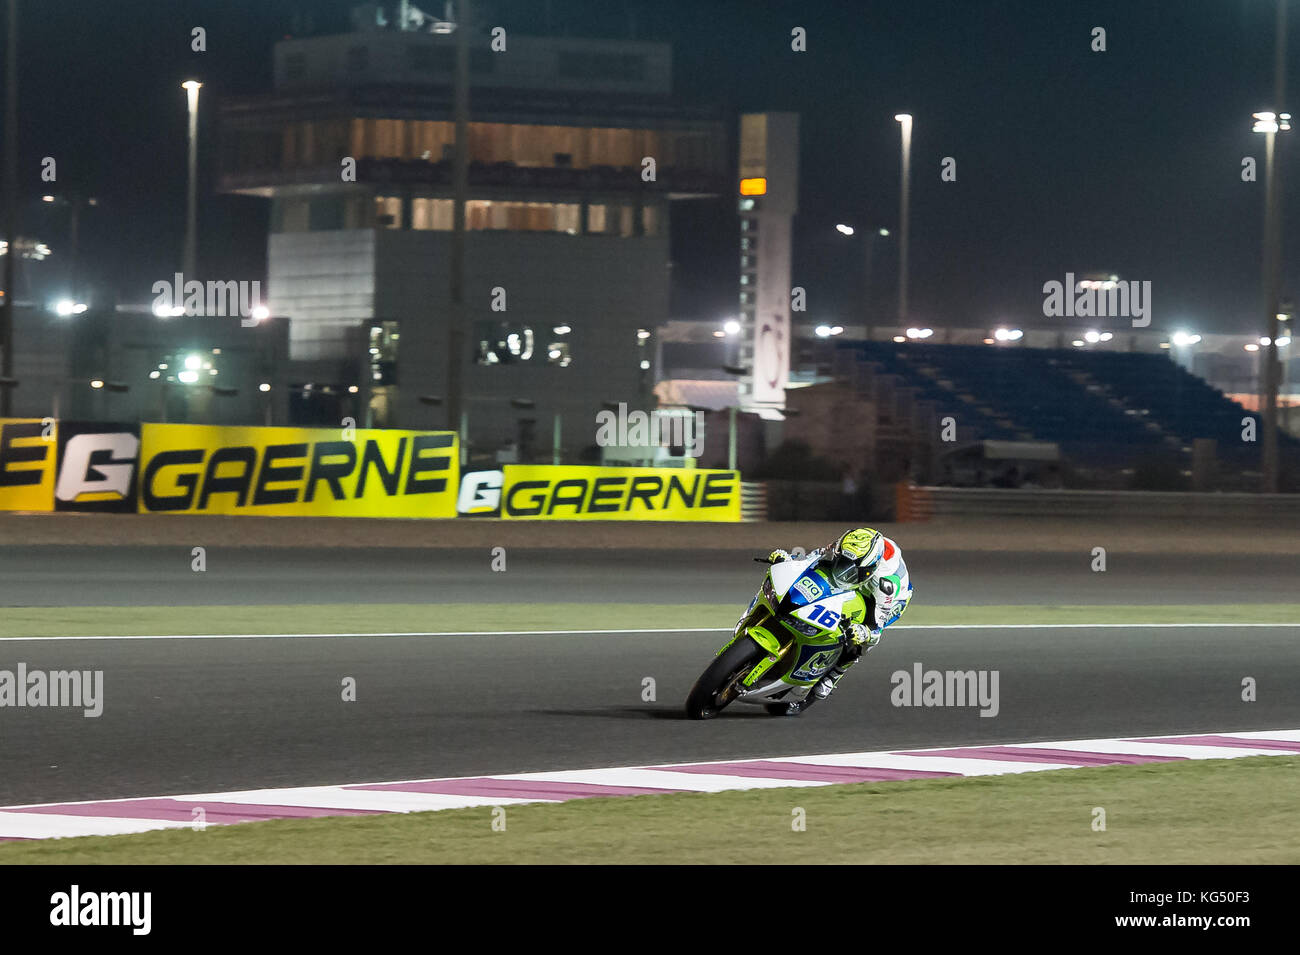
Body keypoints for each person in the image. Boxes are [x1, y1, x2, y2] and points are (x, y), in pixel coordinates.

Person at [766, 527, 913, 714]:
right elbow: (815, 558)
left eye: (851, 568)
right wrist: (789, 560)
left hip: (891, 600)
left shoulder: (886, 584)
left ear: (870, 569)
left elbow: (877, 629)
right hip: (862, 565)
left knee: (859, 639)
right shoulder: (843, 546)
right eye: (843, 563)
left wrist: (866, 632)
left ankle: (833, 676)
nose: (844, 572)